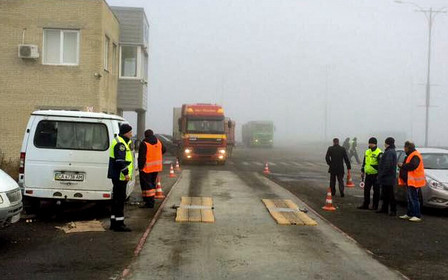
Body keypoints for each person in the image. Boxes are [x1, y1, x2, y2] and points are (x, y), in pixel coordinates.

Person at [107, 124, 134, 232]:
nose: (132, 134)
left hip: (118, 175)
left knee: (116, 200)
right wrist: (126, 173)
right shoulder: (120, 144)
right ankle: (119, 224)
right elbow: (120, 161)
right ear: (126, 132)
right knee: (120, 200)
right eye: (130, 132)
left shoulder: (121, 141)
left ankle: (114, 222)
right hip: (120, 176)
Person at [138, 129, 167, 208]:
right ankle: (149, 200)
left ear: (145, 135)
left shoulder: (144, 143)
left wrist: (140, 167)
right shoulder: (158, 141)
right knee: (152, 184)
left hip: (146, 168)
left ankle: (149, 203)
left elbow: (142, 157)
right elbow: (164, 149)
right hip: (156, 167)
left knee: (147, 186)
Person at [398, 141, 426, 222]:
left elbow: (413, 166)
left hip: (414, 181)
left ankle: (417, 215)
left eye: (405, 147)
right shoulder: (410, 155)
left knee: (414, 198)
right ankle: (409, 213)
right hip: (410, 180)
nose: (404, 149)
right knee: (410, 198)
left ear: (408, 147)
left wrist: (402, 165)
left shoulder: (415, 155)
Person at [358, 137, 382, 210]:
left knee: (376, 191)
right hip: (368, 174)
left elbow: (380, 165)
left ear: (375, 144)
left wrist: (379, 174)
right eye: (369, 143)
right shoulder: (367, 151)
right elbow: (365, 162)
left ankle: (375, 205)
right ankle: (366, 204)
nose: (370, 144)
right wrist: (362, 170)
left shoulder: (379, 152)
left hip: (376, 175)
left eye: (371, 143)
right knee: (366, 190)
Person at [376, 137, 397, 216]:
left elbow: (387, 165)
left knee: (390, 195)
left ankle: (393, 210)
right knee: (385, 194)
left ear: (387, 143)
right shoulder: (391, 151)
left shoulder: (389, 152)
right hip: (388, 177)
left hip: (388, 178)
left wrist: (381, 174)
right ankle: (384, 208)